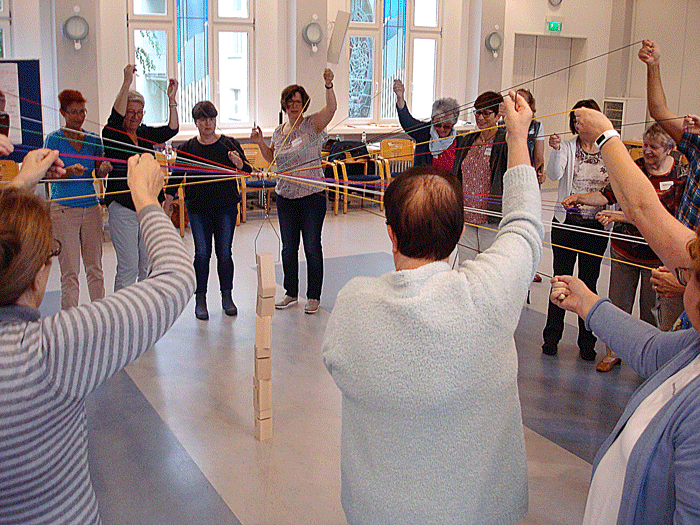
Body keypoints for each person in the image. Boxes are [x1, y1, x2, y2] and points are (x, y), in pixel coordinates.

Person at [323, 91, 543, 525]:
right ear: (460, 229)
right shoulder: (490, 293)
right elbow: (523, 228)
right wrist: (518, 136)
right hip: (482, 513)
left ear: (390, 235)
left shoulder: (353, 302)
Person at [0, 146, 195, 524]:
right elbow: (175, 278)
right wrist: (146, 199)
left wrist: (20, 185)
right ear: (39, 275)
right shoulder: (50, 352)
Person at [550, 106, 700, 525]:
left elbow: (643, 209)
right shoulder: (693, 347)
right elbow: (653, 348)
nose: (682, 274)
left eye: (691, 275)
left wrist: (604, 136)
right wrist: (588, 303)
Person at [563, 123, 687, 371]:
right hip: (624, 249)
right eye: (645, 146)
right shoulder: (635, 169)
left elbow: (665, 218)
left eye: (654, 147)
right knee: (619, 303)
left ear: (669, 149)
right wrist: (581, 198)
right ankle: (613, 352)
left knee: (651, 310)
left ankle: (652, 360)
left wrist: (620, 217)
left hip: (658, 257)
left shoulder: (681, 176)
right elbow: (608, 196)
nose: (647, 152)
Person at [250, 69, 336, 314]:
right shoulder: (278, 132)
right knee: (288, 247)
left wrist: (329, 85)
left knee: (311, 246)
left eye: (298, 102)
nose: (293, 106)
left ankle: (313, 296)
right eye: (290, 102)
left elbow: (331, 110)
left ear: (304, 104)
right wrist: (259, 143)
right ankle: (290, 292)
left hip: (312, 196)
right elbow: (272, 159)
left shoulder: (312, 125)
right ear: (284, 106)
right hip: (286, 197)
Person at [166, 101, 252, 320]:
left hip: (225, 207)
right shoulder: (187, 149)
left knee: (224, 253)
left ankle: (227, 297)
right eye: (203, 119)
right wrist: (166, 201)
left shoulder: (229, 144)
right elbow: (176, 176)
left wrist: (238, 163)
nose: (208, 123)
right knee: (202, 254)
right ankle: (200, 299)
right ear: (196, 122)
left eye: (212, 119)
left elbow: (248, 170)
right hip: (198, 210)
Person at [541, 99, 609, 361]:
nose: (579, 125)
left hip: (596, 226)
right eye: (576, 121)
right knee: (560, 279)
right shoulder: (568, 147)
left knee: (588, 284)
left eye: (584, 120)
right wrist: (557, 150)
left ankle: (586, 342)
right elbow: (555, 174)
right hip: (566, 225)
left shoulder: (608, 150)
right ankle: (551, 336)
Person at [639, 39, 700, 330]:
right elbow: (659, 111)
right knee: (669, 339)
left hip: (692, 278)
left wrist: (688, 283)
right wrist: (653, 66)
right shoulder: (698, 146)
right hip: (679, 263)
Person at [102, 64, 179, 291]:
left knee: (146, 266)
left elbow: (171, 130)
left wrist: (171, 99)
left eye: (139, 112)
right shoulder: (112, 134)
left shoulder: (145, 134)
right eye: (130, 112)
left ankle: (142, 314)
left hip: (147, 207)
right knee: (128, 268)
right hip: (123, 206)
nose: (135, 117)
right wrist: (126, 82)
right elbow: (114, 119)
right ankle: (122, 317)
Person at [44, 89, 112, 309]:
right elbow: (46, 175)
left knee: (95, 268)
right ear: (63, 112)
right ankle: (69, 322)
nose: (79, 116)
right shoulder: (53, 139)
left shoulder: (93, 139)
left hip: (91, 208)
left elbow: (99, 174)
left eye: (82, 111)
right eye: (74, 112)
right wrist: (68, 171)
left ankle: (100, 316)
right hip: (63, 210)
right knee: (70, 271)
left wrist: (104, 169)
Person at [453, 91, 508, 262]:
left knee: (487, 265)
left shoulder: (504, 141)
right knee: (466, 263)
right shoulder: (467, 140)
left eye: (486, 113)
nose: (481, 117)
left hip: (490, 216)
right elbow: (457, 173)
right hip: (466, 213)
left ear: (498, 114)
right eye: (478, 112)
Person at [392, 78, 460, 170]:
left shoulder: (460, 141)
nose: (441, 129)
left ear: (453, 124)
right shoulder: (424, 133)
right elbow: (407, 122)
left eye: (446, 126)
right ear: (432, 120)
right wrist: (400, 97)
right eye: (437, 125)